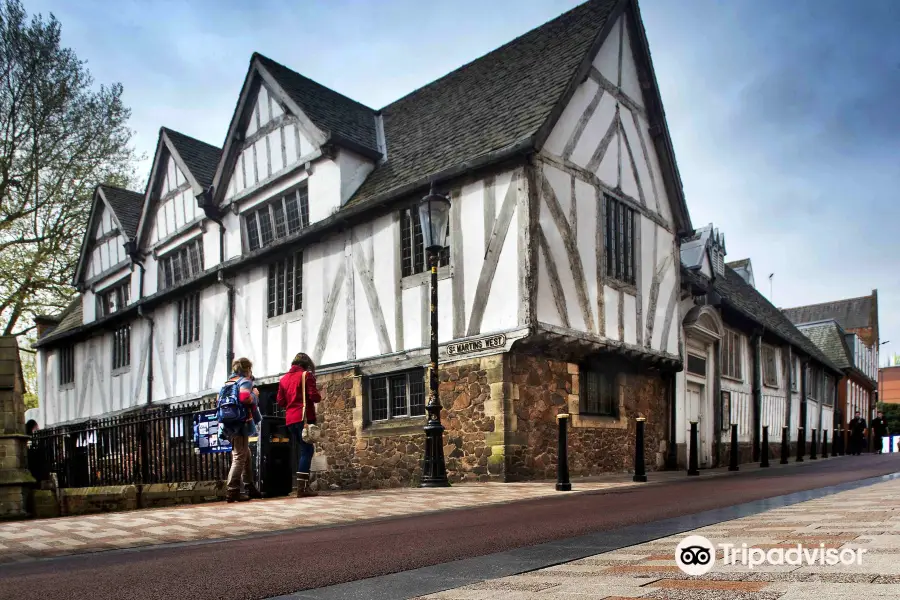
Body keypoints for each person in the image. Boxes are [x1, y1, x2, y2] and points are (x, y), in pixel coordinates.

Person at [276, 352, 321, 498]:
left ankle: (301, 486)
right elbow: (314, 396)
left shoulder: (283, 379)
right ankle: (302, 488)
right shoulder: (306, 376)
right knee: (307, 450)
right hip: (304, 418)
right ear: (306, 364)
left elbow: (281, 402)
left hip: (290, 419)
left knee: (302, 450)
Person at [220, 357, 263, 502]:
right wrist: (255, 395)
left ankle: (249, 486)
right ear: (247, 370)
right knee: (239, 456)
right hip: (240, 423)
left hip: (229, 423)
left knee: (246, 454)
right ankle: (233, 491)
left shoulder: (229, 382)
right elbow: (245, 397)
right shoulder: (244, 381)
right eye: (250, 369)